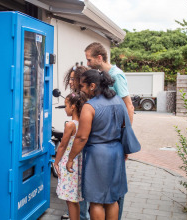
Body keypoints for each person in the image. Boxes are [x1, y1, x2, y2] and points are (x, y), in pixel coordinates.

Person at [66, 69, 131, 220]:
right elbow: (124, 127)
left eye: (82, 86)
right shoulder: (118, 101)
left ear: (93, 86)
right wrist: (125, 149)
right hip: (116, 152)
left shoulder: (90, 106)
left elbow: (82, 137)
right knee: (112, 199)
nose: (81, 89)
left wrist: (70, 158)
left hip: (97, 155)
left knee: (96, 201)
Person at [84, 42, 134, 219]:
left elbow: (128, 106)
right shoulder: (103, 76)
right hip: (107, 143)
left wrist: (124, 141)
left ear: (99, 58)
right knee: (108, 192)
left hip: (111, 141)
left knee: (109, 193)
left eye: (89, 60)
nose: (87, 63)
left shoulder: (116, 75)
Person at [54, 92, 88, 220]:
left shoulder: (70, 124)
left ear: (73, 106)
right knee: (75, 199)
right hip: (78, 163)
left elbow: (62, 146)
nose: (65, 109)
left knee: (70, 200)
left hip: (69, 164)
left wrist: (56, 162)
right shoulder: (85, 124)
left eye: (66, 106)